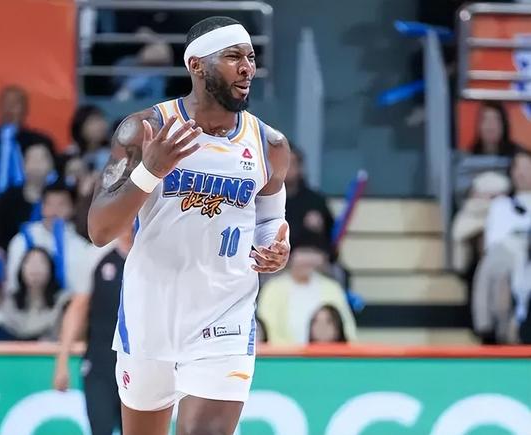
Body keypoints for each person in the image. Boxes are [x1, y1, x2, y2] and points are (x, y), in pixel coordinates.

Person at [87, 17, 290, 435]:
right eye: (233, 57)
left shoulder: (270, 145)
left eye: (251, 58)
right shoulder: (145, 129)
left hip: (225, 316)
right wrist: (150, 171)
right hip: (150, 314)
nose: (247, 68)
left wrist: (274, 247)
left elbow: (270, 221)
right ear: (196, 65)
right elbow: (99, 230)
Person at [53, 228, 132, 435]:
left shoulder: (152, 253)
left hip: (140, 363)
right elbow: (78, 307)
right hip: (100, 363)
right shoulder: (96, 254)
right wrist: (62, 362)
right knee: (100, 428)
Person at [257, 231, 357, 345]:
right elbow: (266, 329)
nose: (307, 259)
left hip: (326, 353)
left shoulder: (332, 288)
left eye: (312, 252)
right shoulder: (273, 289)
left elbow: (347, 329)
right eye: (302, 253)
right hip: (284, 354)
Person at [5, 182, 102, 295]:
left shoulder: (81, 246)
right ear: (42, 207)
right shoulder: (21, 240)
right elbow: (12, 286)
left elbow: (83, 290)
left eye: (61, 204)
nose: (54, 211)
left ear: (73, 208)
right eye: (49, 204)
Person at [0, 85, 56, 208]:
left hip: (32, 205)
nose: (9, 109)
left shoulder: (41, 142)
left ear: (25, 110)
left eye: (15, 104)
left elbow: (52, 180)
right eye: (4, 104)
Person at [0, 142, 56, 249]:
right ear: (23, 164)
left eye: (42, 159)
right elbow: (1, 236)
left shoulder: (59, 194)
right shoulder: (9, 198)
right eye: (32, 159)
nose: (37, 164)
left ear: (51, 164)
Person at [0, 248, 68, 340]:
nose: (35, 268)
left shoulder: (63, 301)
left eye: (41, 262)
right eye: (29, 262)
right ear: (21, 269)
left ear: (51, 269)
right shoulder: (9, 301)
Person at [285, 145, 335, 249]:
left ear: (300, 168)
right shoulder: (264, 199)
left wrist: (320, 225)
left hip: (308, 252)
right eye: (283, 163)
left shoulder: (315, 200)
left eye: (292, 164)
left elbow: (331, 234)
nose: (287, 168)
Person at [484, 147, 531, 249]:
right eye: (518, 168)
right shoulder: (500, 205)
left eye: (527, 168)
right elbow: (493, 244)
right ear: (511, 172)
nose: (521, 173)